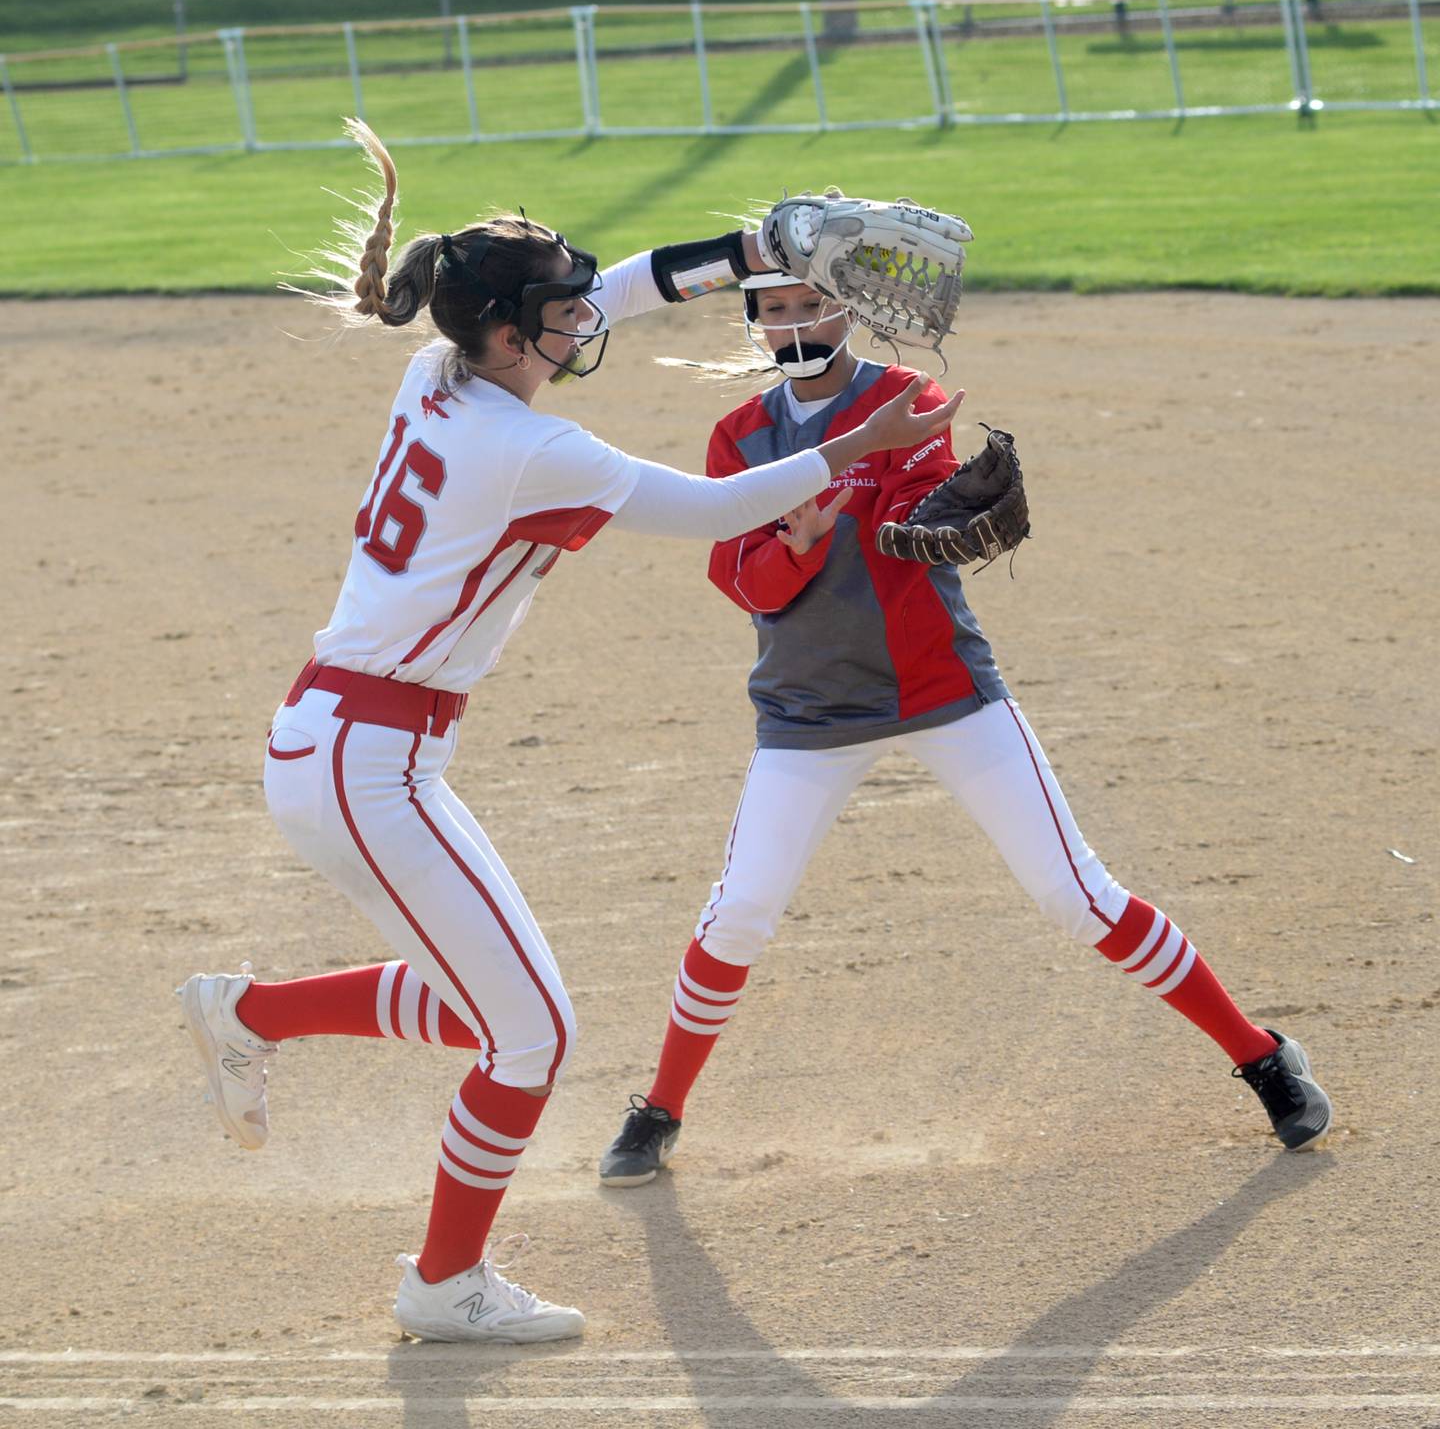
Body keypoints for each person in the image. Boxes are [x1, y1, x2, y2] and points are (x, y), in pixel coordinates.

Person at [174, 124, 963, 1345]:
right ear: (505, 335)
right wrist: (855, 446)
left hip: (358, 745)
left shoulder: (439, 375)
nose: (582, 321)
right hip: (364, 765)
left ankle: (252, 1015)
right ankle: (444, 1287)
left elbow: (628, 286)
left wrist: (748, 248)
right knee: (532, 1034)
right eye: (557, 312)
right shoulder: (529, 444)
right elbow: (716, 508)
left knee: (489, 1011)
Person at [598, 269, 1332, 1187]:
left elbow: (919, 513)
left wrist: (921, 516)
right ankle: (659, 1109)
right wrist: (800, 543)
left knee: (1081, 896)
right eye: (774, 310)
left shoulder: (909, 401)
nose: (795, 324)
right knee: (738, 911)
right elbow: (740, 582)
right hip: (808, 709)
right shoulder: (739, 436)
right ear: (752, 323)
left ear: (850, 309)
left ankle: (1263, 1056)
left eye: (812, 303)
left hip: (942, 689)